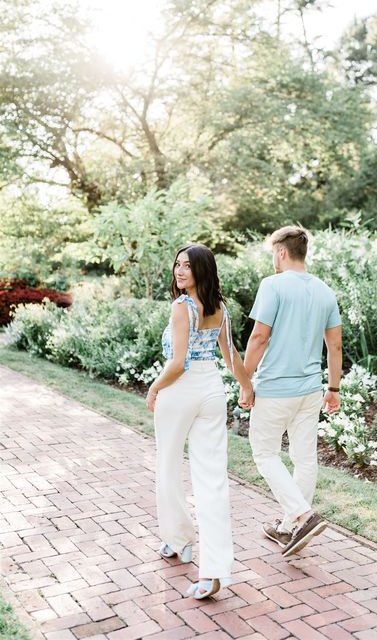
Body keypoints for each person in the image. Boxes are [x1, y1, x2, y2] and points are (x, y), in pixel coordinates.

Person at [146, 244, 254, 599]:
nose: (179, 272)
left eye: (188, 267)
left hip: (180, 390)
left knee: (167, 466)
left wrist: (153, 388)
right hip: (212, 391)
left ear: (202, 271)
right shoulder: (220, 308)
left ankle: (179, 540)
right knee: (212, 481)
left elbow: (177, 364)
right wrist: (245, 386)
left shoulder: (182, 307)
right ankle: (214, 571)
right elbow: (231, 355)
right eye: (177, 265)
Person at [240, 225, 342, 558]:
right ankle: (288, 528)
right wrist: (334, 388)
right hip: (311, 389)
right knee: (304, 459)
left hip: (275, 389)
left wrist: (245, 379)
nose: (273, 258)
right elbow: (335, 346)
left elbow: (259, 338)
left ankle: (303, 516)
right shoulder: (325, 291)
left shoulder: (273, 285)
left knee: (265, 454)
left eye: (274, 252)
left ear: (282, 251)